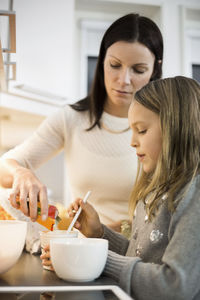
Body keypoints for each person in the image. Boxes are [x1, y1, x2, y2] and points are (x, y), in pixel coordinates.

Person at [0, 13, 163, 233]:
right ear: (102, 60)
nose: (124, 80)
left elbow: (165, 216)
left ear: (155, 69)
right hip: (78, 251)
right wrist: (22, 173)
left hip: (135, 256)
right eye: (115, 65)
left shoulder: (164, 127)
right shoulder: (71, 118)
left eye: (138, 70)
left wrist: (105, 231)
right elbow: (5, 166)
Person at [64, 76, 200, 299]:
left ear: (176, 128)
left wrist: (97, 257)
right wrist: (100, 234)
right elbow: (143, 256)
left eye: (142, 130)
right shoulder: (155, 191)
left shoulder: (193, 194)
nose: (132, 141)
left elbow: (175, 285)